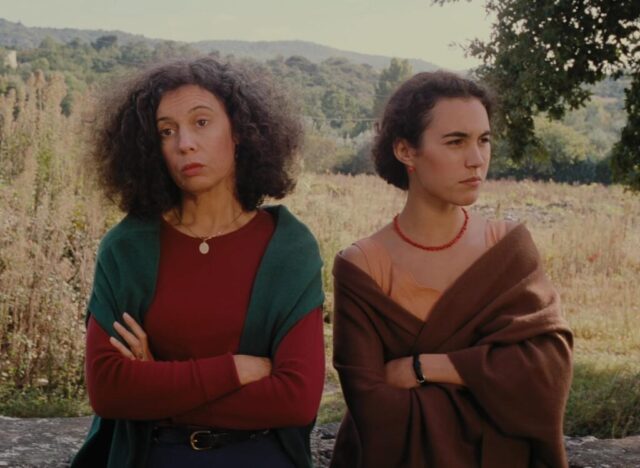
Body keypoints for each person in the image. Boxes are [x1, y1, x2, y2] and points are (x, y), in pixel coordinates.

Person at [71, 57, 325, 468]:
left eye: (201, 122)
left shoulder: (289, 248)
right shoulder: (127, 248)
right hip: (155, 457)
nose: (184, 143)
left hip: (258, 457)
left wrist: (158, 388)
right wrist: (233, 370)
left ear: (239, 131)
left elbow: (296, 398)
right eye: (166, 131)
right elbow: (109, 389)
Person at [330, 71, 573, 468]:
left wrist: (427, 368)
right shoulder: (363, 265)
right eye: (456, 142)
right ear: (406, 151)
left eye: (484, 140)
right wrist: (487, 388)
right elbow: (373, 407)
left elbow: (546, 376)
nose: (477, 159)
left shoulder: (508, 247)